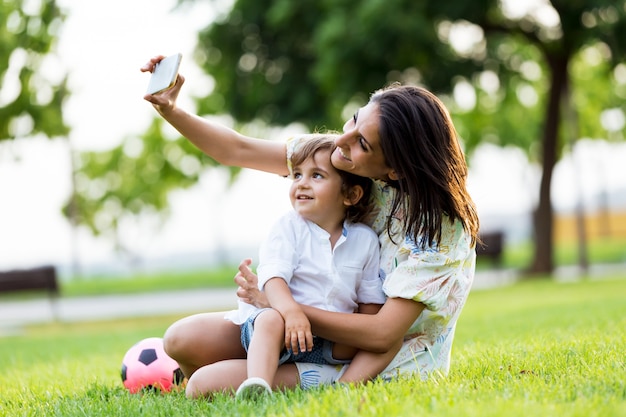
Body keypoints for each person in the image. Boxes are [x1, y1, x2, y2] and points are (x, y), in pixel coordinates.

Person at [141, 54, 480, 398]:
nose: (341, 141)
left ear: (395, 169)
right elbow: (237, 149)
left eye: (362, 144)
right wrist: (170, 110)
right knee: (182, 340)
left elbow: (382, 334)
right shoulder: (342, 157)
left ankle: (314, 380)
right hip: (307, 323)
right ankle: (268, 365)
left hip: (368, 359)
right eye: (353, 121)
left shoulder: (440, 230)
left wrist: (279, 303)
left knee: (204, 385)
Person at [226, 134, 387, 399]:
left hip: (326, 341)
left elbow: (370, 301)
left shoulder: (365, 240)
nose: (302, 184)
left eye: (317, 176)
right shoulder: (288, 227)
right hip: (279, 334)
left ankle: (337, 381)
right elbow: (273, 279)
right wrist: (291, 312)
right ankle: (259, 383)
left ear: (350, 194)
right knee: (269, 319)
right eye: (297, 175)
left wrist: (362, 333)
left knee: (376, 341)